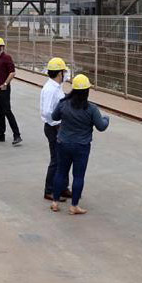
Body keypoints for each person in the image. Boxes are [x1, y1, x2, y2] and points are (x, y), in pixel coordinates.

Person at [50, 74, 109, 215]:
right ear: (87, 91)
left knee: (61, 172)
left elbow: (54, 117)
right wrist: (106, 119)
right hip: (81, 146)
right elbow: (101, 126)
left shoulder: (64, 104)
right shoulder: (91, 109)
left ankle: (55, 202)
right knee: (78, 176)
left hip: (63, 143)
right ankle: (74, 206)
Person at [40, 58, 71, 201]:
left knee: (64, 158)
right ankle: (49, 190)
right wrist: (57, 122)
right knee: (56, 159)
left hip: (59, 126)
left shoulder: (57, 86)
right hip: (53, 128)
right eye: (63, 72)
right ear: (59, 73)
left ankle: (63, 187)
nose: (65, 74)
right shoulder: (50, 89)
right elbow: (47, 111)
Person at [0, 37, 21, 145]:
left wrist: (5, 84)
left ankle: (17, 135)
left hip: (4, 89)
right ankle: (1, 134)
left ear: (2, 47)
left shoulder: (7, 58)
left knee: (7, 111)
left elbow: (12, 72)